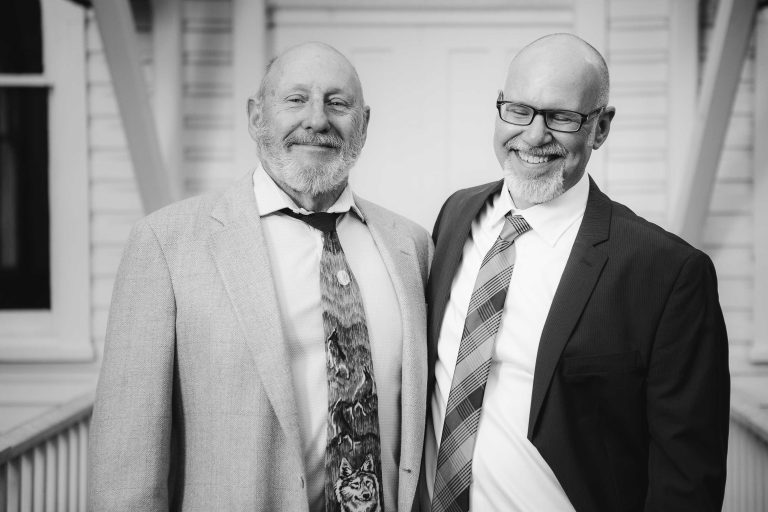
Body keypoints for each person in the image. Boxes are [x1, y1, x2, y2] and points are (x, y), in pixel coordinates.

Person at [89, 42, 432, 512]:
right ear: (256, 117)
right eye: (295, 100)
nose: (317, 119)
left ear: (364, 124)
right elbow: (126, 463)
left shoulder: (409, 245)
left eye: (338, 102)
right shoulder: (165, 244)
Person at [423, 33, 729, 512]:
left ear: (600, 128)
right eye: (519, 109)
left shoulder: (668, 272)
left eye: (561, 117)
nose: (534, 134)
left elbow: (688, 478)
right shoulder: (456, 215)